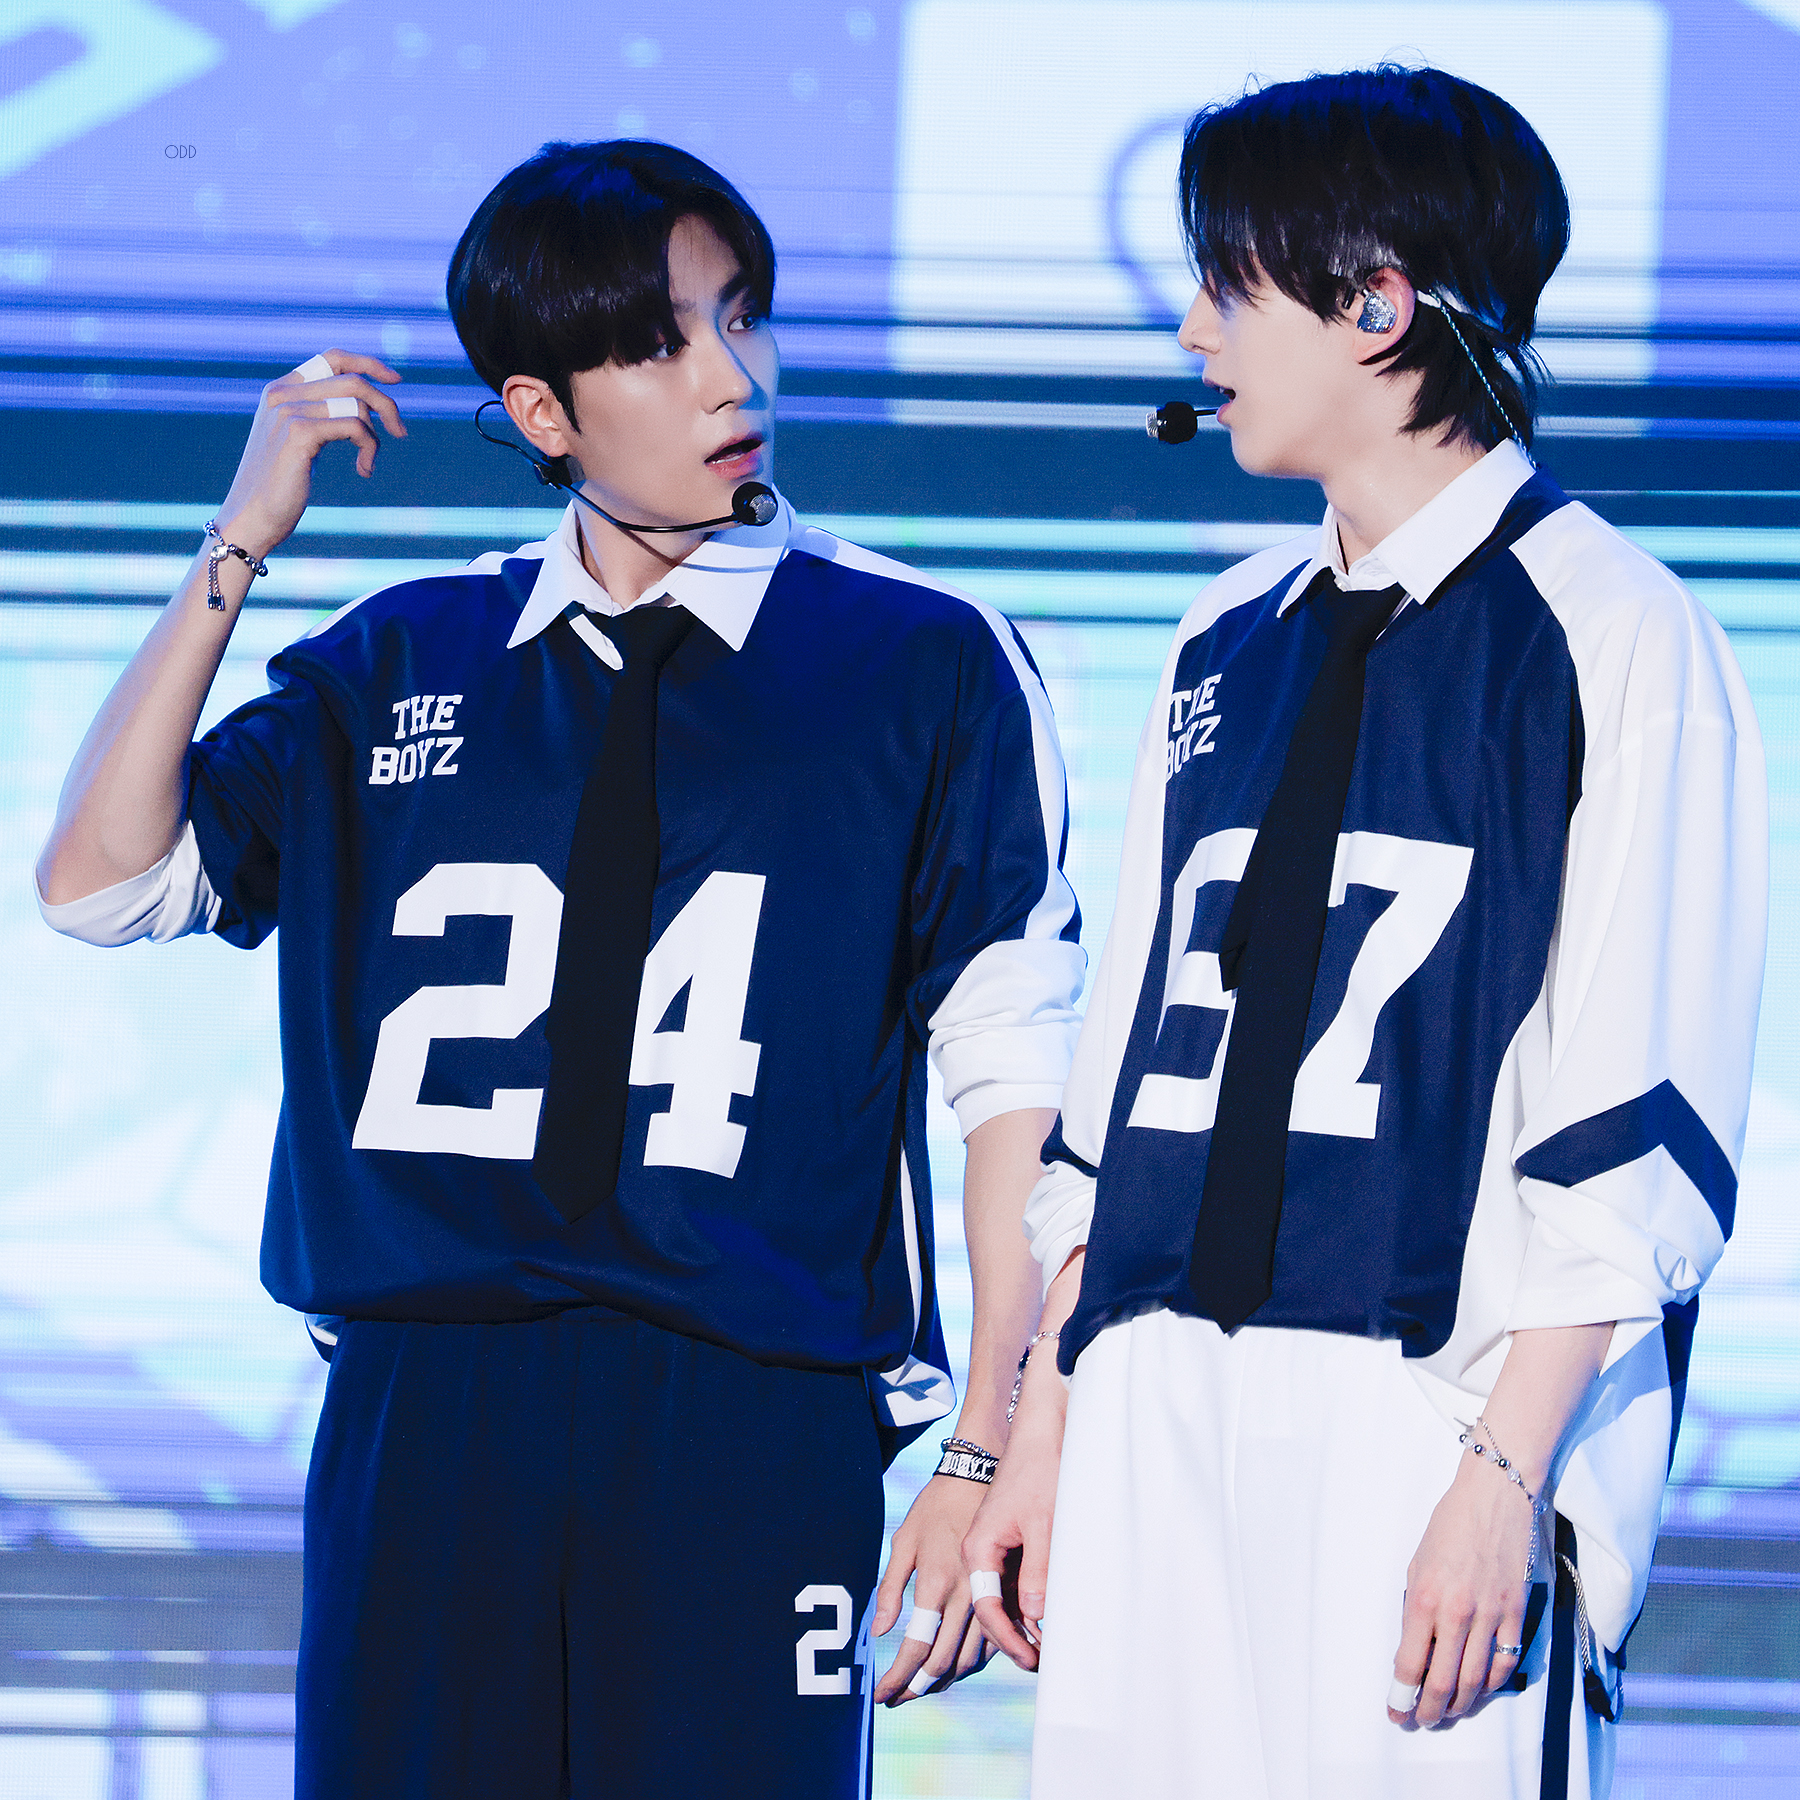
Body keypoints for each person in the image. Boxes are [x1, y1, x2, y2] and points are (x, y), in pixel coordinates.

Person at [36, 139, 1085, 1799]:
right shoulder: (400, 654)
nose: (732, 377)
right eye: (660, 343)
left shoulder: (921, 658)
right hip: (425, 1405)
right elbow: (102, 884)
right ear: (542, 414)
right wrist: (241, 536)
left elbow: (1014, 1080)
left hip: (753, 1412)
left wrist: (988, 1444)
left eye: (742, 317)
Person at [963, 66, 1766, 1800]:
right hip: (1155, 1412)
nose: (1194, 331)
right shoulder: (1221, 634)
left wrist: (1506, 1475)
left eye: (1227, 283)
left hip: (1424, 1415)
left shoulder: (1614, 629)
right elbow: (1123, 1090)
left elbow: (1641, 1114)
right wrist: (1046, 1419)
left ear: (1380, 305)